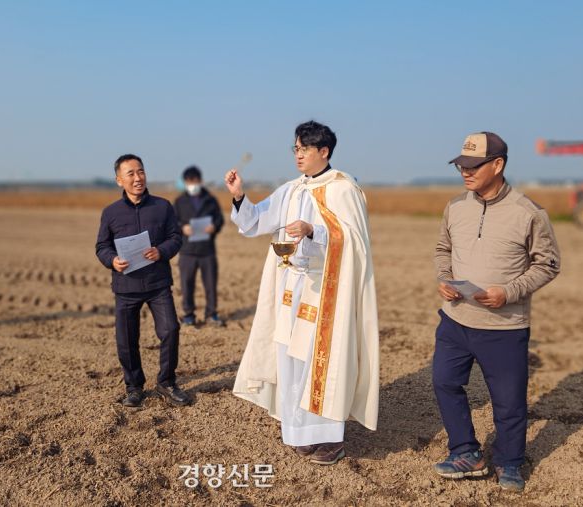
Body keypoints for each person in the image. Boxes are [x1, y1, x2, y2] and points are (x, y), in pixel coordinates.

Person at [225, 121, 379, 466]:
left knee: (320, 361)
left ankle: (327, 440)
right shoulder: (292, 189)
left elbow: (356, 243)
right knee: (291, 358)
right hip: (291, 289)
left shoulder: (343, 189)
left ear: (323, 152)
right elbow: (256, 222)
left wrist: (314, 231)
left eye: (304, 149)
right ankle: (299, 433)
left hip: (327, 293)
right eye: (295, 149)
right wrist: (239, 196)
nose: (298, 155)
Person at [432, 132, 561, 492]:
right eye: (461, 165)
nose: (465, 172)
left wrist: (509, 292)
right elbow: (443, 249)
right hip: (455, 320)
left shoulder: (528, 212)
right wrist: (445, 278)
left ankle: (510, 462)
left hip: (504, 327)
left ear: (498, 165)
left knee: (508, 401)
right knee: (444, 382)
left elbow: (548, 264)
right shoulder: (456, 206)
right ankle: (465, 452)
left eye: (473, 166)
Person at [96, 154, 191, 408]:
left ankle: (167, 382)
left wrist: (161, 251)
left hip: (158, 283)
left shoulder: (162, 207)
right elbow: (101, 246)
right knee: (126, 340)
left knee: (170, 329)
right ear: (119, 180)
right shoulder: (111, 213)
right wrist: (112, 260)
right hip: (126, 286)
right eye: (131, 174)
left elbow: (175, 237)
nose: (138, 178)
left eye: (141, 171)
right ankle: (134, 387)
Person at [173, 165, 225, 327]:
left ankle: (211, 314)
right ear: (185, 182)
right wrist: (182, 228)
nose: (192, 184)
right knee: (186, 284)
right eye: (189, 181)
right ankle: (189, 315)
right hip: (187, 251)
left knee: (210, 285)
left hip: (207, 250)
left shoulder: (210, 199)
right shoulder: (179, 201)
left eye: (195, 181)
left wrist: (214, 227)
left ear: (200, 181)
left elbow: (219, 219)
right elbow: (173, 223)